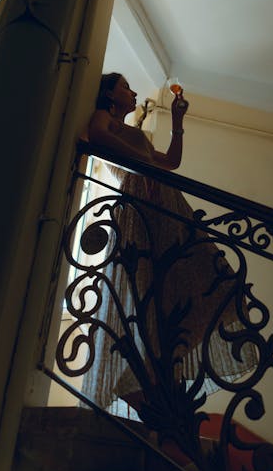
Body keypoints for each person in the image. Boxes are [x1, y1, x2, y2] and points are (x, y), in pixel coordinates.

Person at [79, 72, 257, 416]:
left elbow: (172, 162)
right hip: (140, 200)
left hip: (165, 201)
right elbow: (98, 134)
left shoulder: (136, 135)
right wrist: (140, 162)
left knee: (200, 277)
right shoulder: (106, 120)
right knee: (148, 286)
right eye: (125, 87)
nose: (131, 92)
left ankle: (168, 367)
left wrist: (177, 121)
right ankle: (152, 379)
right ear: (108, 93)